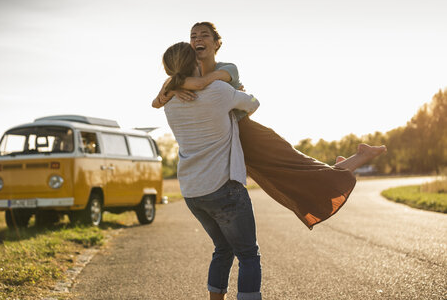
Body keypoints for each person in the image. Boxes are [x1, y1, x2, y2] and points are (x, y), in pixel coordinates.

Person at [153, 22, 387, 230]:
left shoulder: (227, 68)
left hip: (250, 135)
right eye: (193, 36)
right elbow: (155, 103)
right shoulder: (183, 78)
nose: (197, 40)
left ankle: (352, 162)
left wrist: (175, 85)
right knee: (284, 181)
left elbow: (204, 84)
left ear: (216, 43)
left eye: (204, 35)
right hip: (231, 144)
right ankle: (342, 166)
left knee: (295, 171)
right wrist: (174, 86)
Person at [161, 42, 262, 300]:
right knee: (248, 254)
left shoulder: (169, 102)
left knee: (223, 249)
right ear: (195, 63)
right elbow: (253, 104)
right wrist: (237, 92)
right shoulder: (219, 90)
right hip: (223, 187)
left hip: (193, 192)